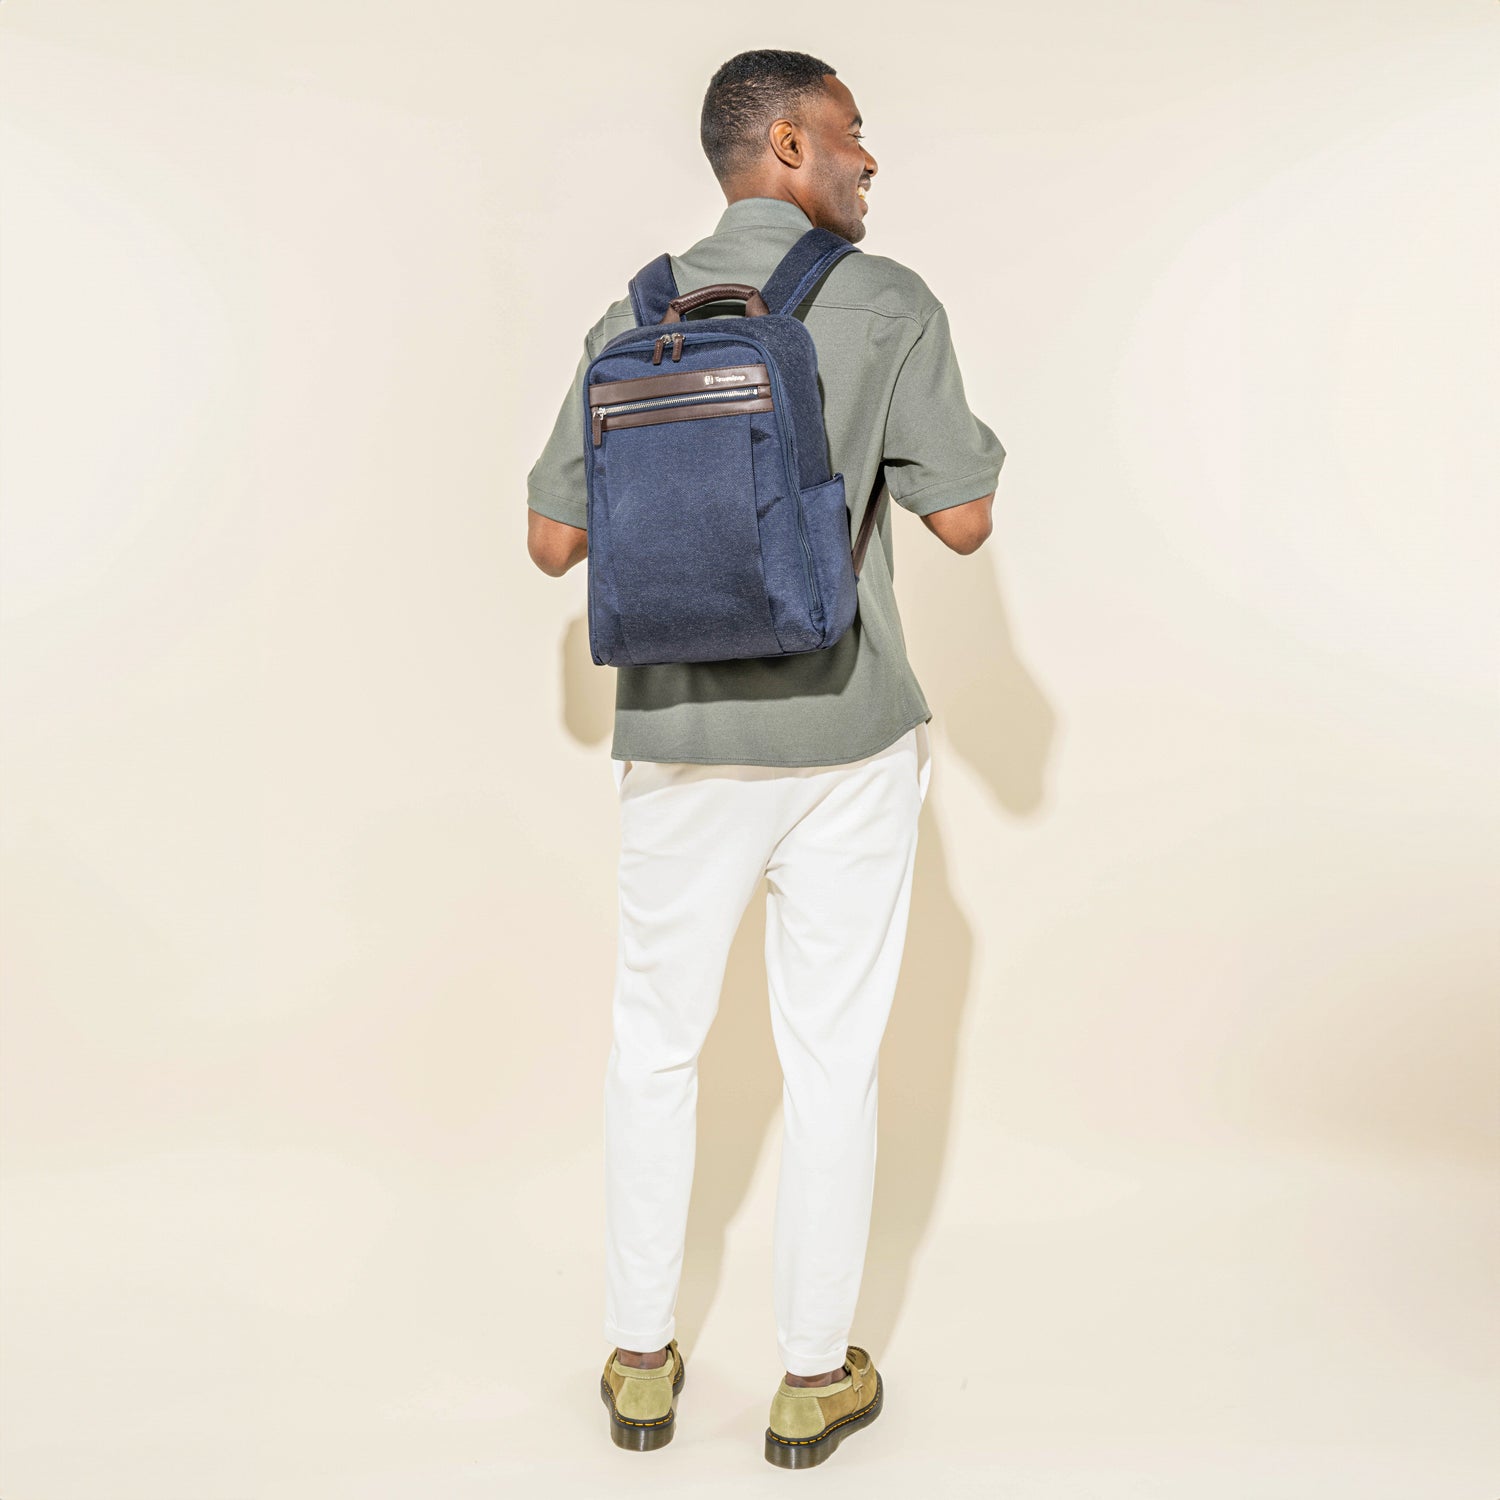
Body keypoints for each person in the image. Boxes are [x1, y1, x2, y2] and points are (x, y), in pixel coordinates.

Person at [525, 48, 1004, 1468]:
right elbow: (962, 521)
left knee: (652, 1050)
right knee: (833, 1057)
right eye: (853, 137)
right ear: (788, 144)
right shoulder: (889, 302)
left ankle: (636, 1365)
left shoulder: (638, 312)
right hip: (843, 733)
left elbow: (554, 541)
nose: (870, 162)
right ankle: (808, 1379)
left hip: (677, 741)